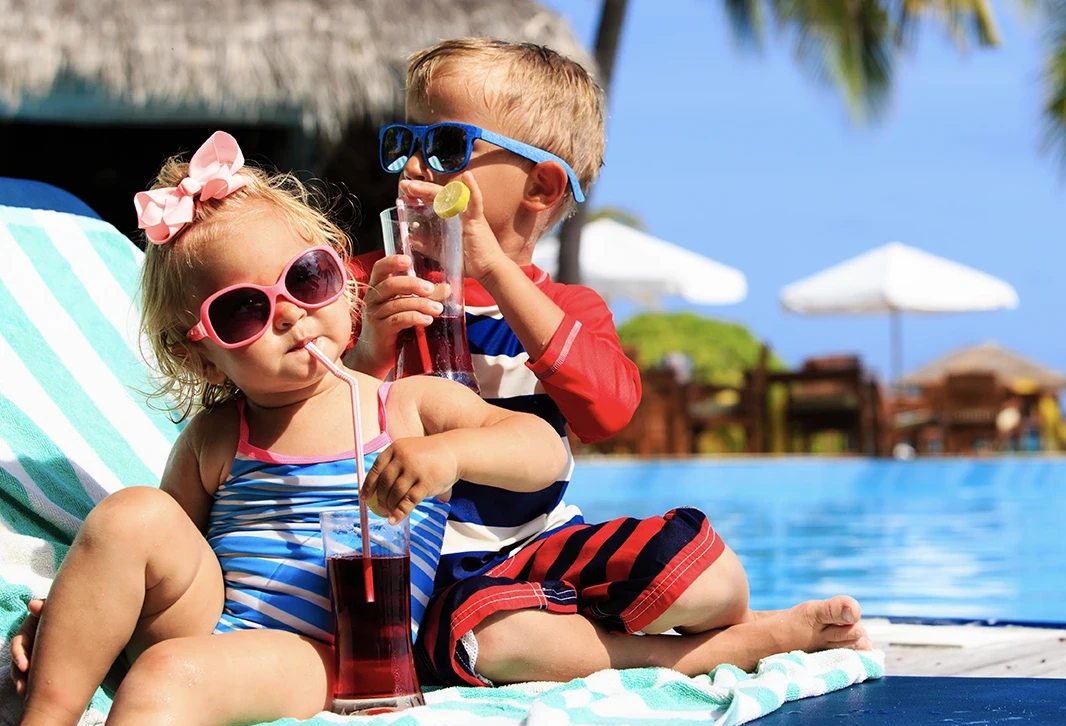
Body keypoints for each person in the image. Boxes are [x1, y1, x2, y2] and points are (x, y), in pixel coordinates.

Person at [346, 39, 871, 689]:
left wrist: (494, 271)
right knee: (495, 639)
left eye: (448, 146)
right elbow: (309, 416)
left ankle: (711, 621)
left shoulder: (565, 308)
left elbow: (609, 411)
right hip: (429, 573)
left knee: (715, 575)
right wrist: (370, 348)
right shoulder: (366, 288)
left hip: (540, 548)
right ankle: (687, 655)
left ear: (540, 184)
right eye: (405, 140)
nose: (415, 167)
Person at [11, 131, 569, 726]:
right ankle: (45, 719)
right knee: (132, 514)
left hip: (331, 656)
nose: (288, 311)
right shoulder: (218, 436)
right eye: (242, 310)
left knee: (167, 674)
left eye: (306, 278)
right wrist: (82, 616)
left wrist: (449, 455)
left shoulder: (405, 406)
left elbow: (546, 452)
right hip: (209, 624)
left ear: (341, 275)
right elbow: (157, 554)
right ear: (200, 356)